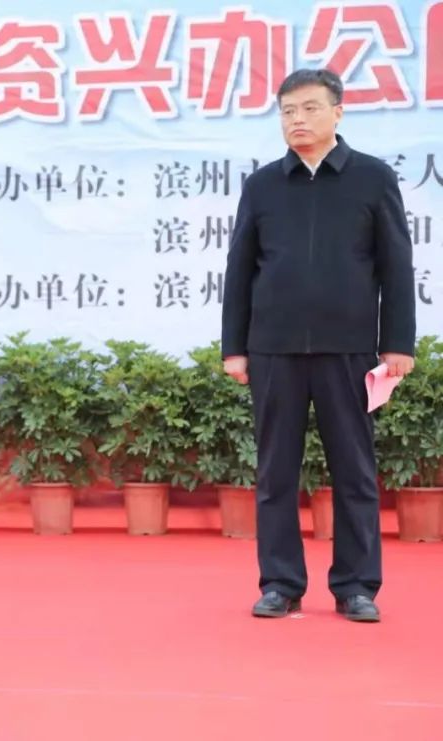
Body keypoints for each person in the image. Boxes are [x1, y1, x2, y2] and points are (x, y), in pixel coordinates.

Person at [222, 68, 415, 623]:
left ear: (338, 112)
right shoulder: (262, 185)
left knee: (354, 471)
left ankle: (356, 586)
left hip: (348, 349)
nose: (297, 120)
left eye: (309, 108)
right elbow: (240, 270)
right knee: (274, 473)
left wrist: (397, 342)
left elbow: (395, 265)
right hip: (273, 349)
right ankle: (280, 583)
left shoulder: (372, 178)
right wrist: (235, 347)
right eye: (288, 111)